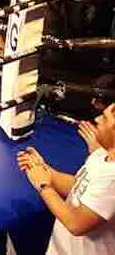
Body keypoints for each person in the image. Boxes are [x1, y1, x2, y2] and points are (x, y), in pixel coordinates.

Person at [17, 102, 115, 253]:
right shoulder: (103, 154)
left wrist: (44, 187)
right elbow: (78, 187)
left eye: (105, 118)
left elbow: (76, 224)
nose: (97, 119)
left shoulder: (112, 179)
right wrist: (46, 171)